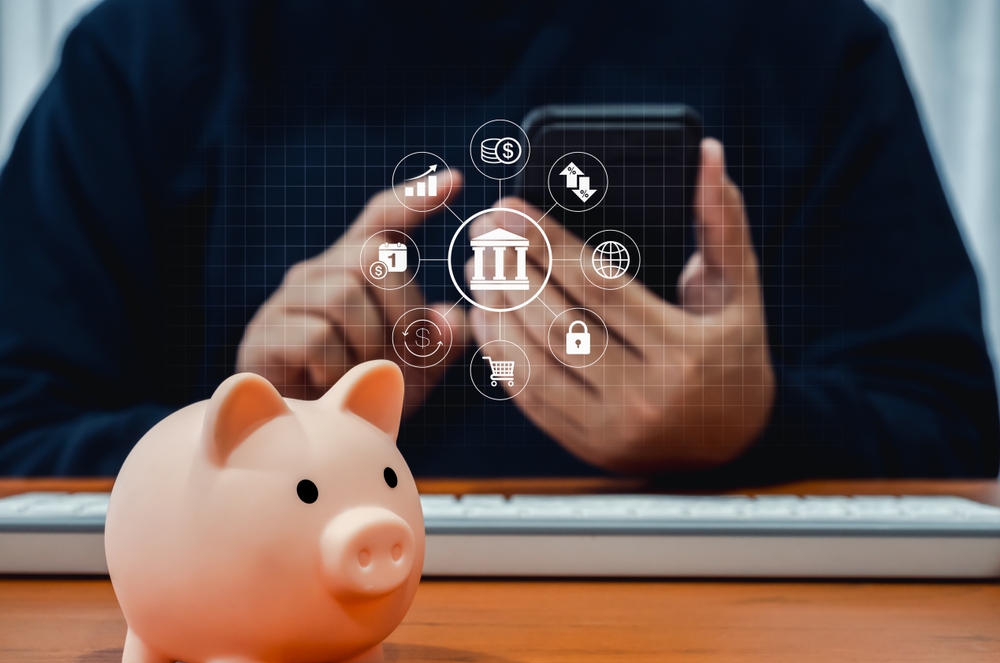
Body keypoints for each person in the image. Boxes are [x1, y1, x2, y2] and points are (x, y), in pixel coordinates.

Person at [0, 0, 995, 482]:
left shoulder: (804, 41)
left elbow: (954, 429)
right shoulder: (152, 51)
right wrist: (244, 444)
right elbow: (18, 431)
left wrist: (750, 422)